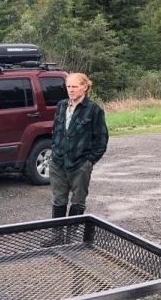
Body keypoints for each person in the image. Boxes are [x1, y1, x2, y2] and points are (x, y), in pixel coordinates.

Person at [49, 72, 109, 218]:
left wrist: (88, 162)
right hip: (58, 162)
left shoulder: (94, 109)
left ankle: (71, 237)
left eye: (74, 86)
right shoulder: (61, 106)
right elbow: (56, 131)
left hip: (80, 165)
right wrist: (54, 151)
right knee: (58, 200)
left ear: (84, 87)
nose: (70, 90)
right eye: (68, 86)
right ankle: (57, 236)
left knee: (78, 201)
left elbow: (101, 140)